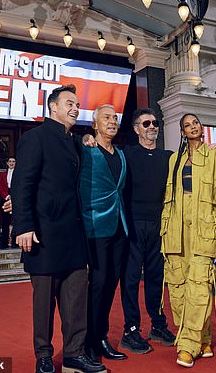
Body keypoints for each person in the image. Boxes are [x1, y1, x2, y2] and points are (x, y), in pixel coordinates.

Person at [11, 84, 106, 373]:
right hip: (43, 234)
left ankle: (75, 353)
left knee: (76, 299)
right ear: (53, 107)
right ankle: (43, 355)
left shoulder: (75, 141)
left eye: (77, 104)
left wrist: (89, 138)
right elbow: (22, 184)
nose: (75, 108)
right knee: (44, 302)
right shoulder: (35, 138)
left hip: (74, 235)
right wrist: (23, 225)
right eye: (69, 103)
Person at [161, 113, 216, 368]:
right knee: (178, 286)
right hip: (175, 231)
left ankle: (188, 344)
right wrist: (164, 230)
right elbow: (168, 197)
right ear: (182, 131)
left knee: (199, 286)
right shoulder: (175, 159)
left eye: (195, 123)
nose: (192, 127)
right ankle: (203, 338)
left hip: (204, 229)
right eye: (187, 125)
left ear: (201, 128)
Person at [120, 108, 176, 355]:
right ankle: (131, 330)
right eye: (146, 123)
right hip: (132, 226)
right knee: (131, 280)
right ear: (136, 129)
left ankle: (158, 326)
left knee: (156, 279)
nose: (152, 126)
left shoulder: (168, 157)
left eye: (155, 123)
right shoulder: (126, 154)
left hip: (159, 226)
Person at [79, 104, 128, 362]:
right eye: (106, 118)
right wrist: (82, 138)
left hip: (120, 226)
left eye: (115, 118)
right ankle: (88, 341)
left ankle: (101, 337)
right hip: (95, 226)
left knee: (111, 282)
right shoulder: (85, 148)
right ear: (94, 125)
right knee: (97, 284)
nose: (112, 121)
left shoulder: (120, 153)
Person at [0, 157, 15, 249]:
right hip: (5, 198)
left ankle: (15, 242)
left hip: (16, 198)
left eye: (13, 161)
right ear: (7, 163)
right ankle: (3, 243)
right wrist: (7, 196)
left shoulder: (19, 174)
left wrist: (15, 197)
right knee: (5, 221)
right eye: (10, 161)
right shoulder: (2, 174)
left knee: (16, 220)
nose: (11, 163)